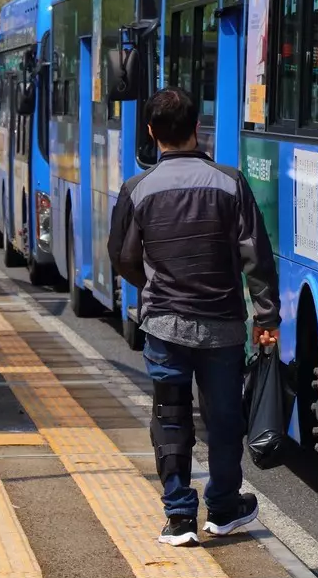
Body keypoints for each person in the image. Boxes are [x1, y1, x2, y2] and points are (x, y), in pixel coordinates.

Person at [109, 87, 278, 547]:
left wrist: (155, 286)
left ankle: (179, 515)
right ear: (196, 127)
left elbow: (122, 258)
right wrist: (266, 316)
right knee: (224, 419)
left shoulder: (136, 189)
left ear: (150, 133)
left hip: (163, 323)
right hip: (222, 324)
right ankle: (222, 507)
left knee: (170, 414)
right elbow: (256, 257)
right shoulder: (230, 182)